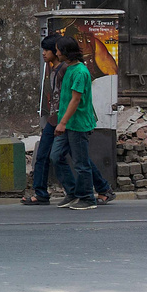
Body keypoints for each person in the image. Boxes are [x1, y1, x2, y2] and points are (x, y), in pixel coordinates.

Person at [50, 36, 101, 209]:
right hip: (67, 123)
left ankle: (87, 197)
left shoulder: (80, 72)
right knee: (56, 157)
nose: (56, 53)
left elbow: (75, 100)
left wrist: (62, 122)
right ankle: (72, 192)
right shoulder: (70, 69)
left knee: (81, 163)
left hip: (77, 124)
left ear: (65, 52)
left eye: (58, 50)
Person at [24, 36, 66, 205]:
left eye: (46, 50)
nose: (44, 54)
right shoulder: (53, 69)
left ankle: (102, 188)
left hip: (63, 119)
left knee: (78, 157)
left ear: (56, 51)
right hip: (54, 119)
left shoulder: (64, 70)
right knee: (42, 155)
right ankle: (40, 192)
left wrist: (62, 120)